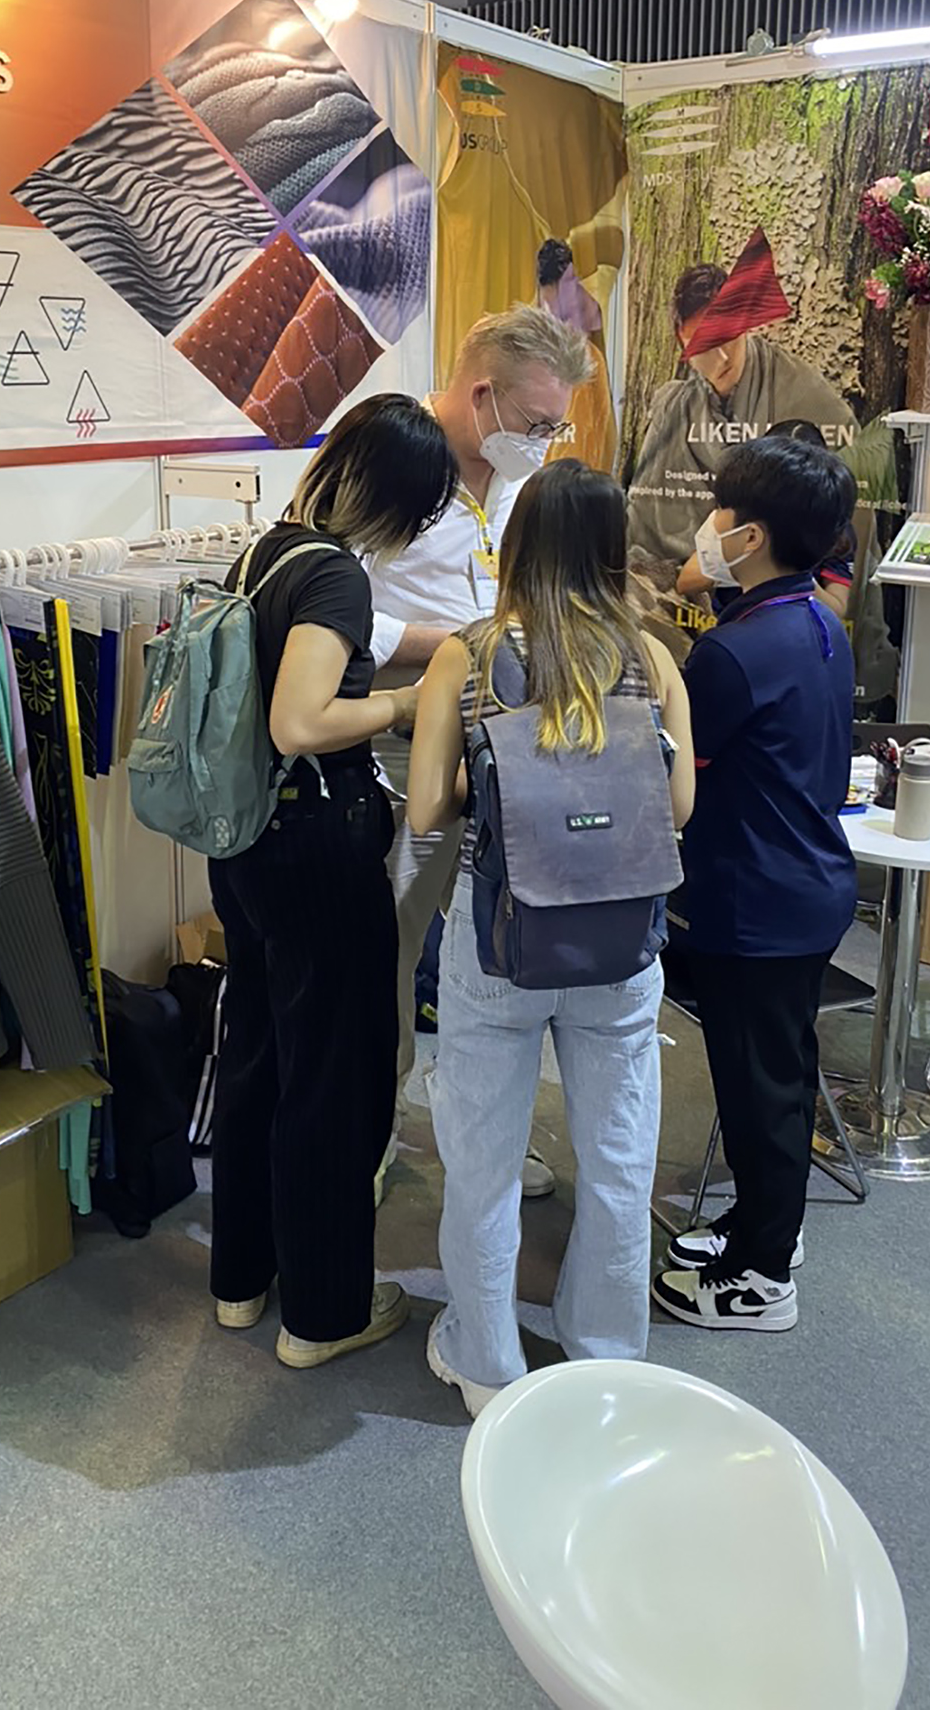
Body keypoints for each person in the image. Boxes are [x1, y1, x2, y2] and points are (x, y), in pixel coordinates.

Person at [407, 460, 695, 1415]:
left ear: (517, 545)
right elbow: (679, 808)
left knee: (483, 1161)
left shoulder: (468, 656)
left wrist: (502, 781)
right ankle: (606, 1350)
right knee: (618, 1158)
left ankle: (485, 1363)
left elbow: (425, 813)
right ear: (614, 548)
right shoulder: (650, 659)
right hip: (619, 941)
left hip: (498, 937)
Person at [209, 396, 456, 1369]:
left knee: (260, 1054)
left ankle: (243, 1279)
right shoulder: (336, 575)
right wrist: (405, 704)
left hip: (247, 841)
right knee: (334, 1079)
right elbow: (301, 721)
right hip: (316, 846)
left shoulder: (264, 553)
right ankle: (322, 1315)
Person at [366, 305, 594, 1200]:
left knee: (496, 946)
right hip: (404, 743)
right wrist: (458, 644)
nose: (543, 442)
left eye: (555, 428)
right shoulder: (387, 456)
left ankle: (489, 1135)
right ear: (481, 394)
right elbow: (328, 605)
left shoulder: (514, 478)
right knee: (391, 946)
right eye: (536, 422)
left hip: (506, 743)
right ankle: (372, 1131)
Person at [651, 434, 858, 1334]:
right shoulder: (816, 619)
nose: (710, 526)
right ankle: (765, 1224)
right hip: (805, 884)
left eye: (721, 512)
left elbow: (676, 776)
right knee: (781, 1076)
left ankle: (762, 1279)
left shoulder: (732, 655)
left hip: (753, 900)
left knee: (759, 1089)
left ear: (752, 535)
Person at [627, 261, 858, 654]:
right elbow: (679, 568)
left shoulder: (803, 394)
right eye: (703, 344)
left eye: (728, 337)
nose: (720, 358)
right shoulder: (675, 407)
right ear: (683, 344)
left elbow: (837, 604)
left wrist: (786, 573)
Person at [675, 418, 855, 621]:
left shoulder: (832, 527)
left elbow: (837, 609)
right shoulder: (739, 509)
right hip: (734, 622)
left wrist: (792, 575)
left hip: (790, 626)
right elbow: (687, 581)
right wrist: (742, 562)